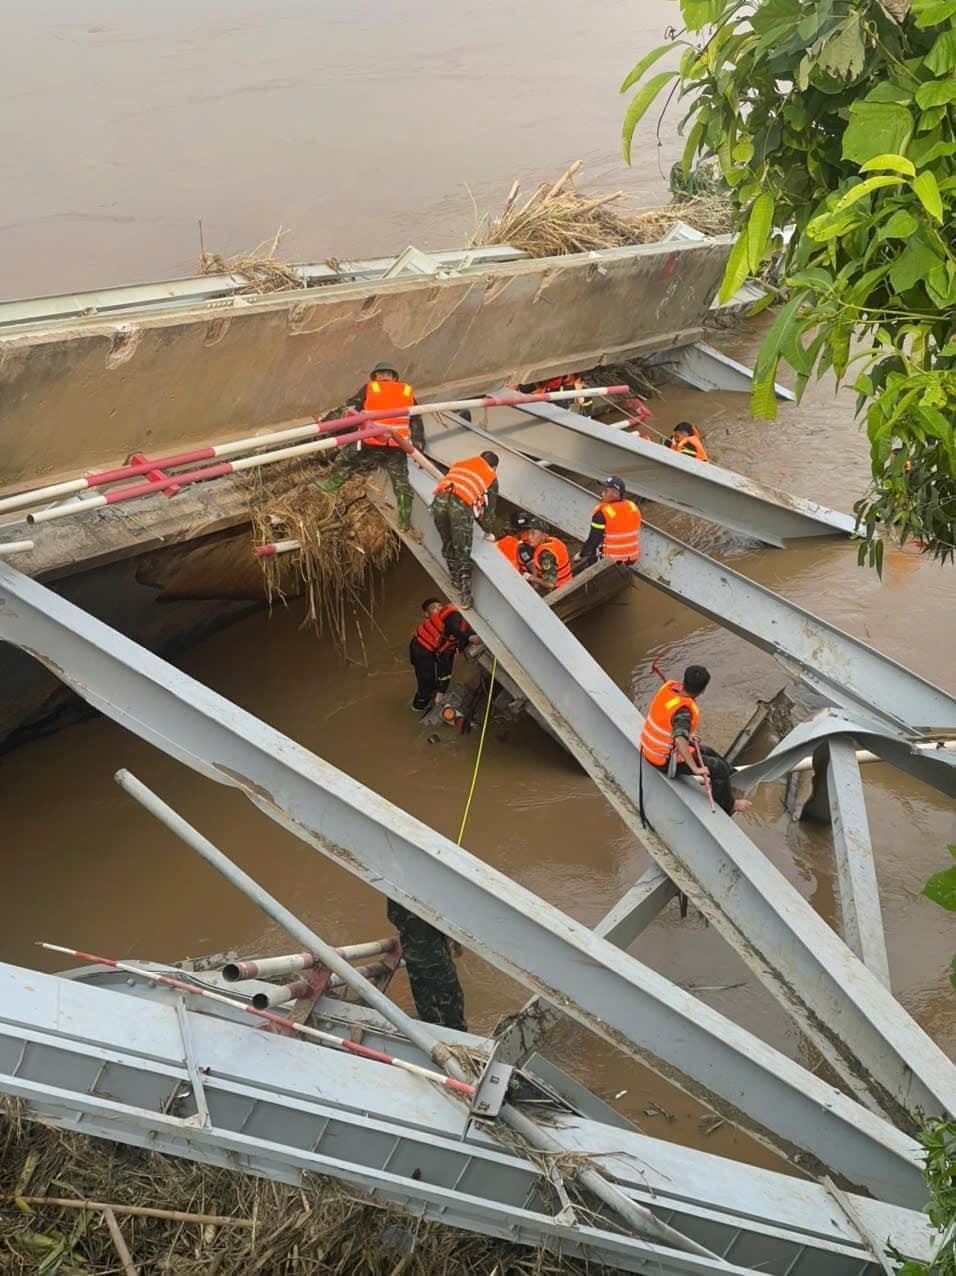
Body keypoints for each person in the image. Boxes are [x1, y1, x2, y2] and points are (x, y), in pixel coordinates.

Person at [318, 361, 422, 533]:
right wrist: (418, 443)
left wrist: (326, 424)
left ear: (376, 376)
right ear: (394, 377)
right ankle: (404, 521)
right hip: (397, 446)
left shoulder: (371, 388)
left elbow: (349, 408)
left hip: (371, 442)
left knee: (345, 459)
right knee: (401, 483)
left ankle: (331, 483)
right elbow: (416, 419)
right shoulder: (406, 391)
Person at [639, 665, 750, 816]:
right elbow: (679, 739)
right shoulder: (683, 712)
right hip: (664, 760)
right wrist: (695, 769)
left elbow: (668, 722)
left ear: (684, 681)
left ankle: (729, 778)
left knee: (709, 752)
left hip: (650, 747)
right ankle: (729, 805)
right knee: (718, 768)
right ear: (703, 690)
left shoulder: (669, 689)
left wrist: (688, 736)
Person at [431, 451, 499, 609]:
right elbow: (490, 510)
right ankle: (466, 596)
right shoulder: (491, 475)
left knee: (447, 542)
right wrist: (487, 531)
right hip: (459, 505)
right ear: (494, 467)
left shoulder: (461, 463)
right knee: (463, 550)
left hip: (439, 500)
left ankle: (454, 578)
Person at [386, 900, 467, 1031]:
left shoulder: (397, 888)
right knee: (451, 1001)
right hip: (435, 954)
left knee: (424, 1001)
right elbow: (447, 914)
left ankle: (431, 1034)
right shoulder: (428, 890)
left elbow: (393, 916)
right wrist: (457, 942)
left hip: (412, 953)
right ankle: (457, 1037)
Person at [409, 597, 478, 711]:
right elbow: (453, 628)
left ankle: (437, 693)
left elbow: (446, 663)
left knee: (442, 672)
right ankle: (418, 707)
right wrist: (470, 638)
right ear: (426, 614)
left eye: (439, 606)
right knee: (426, 683)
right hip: (421, 649)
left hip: (436, 649)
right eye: (434, 608)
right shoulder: (453, 616)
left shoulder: (457, 627)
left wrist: (442, 690)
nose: (438, 609)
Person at [574, 476, 641, 568]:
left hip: (611, 560)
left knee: (591, 554)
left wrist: (582, 554)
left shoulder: (602, 514)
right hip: (631, 557)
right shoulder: (632, 507)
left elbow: (594, 539)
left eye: (606, 491)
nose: (602, 493)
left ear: (616, 494)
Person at [523, 517, 572, 593]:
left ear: (544, 535)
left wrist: (531, 577)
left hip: (558, 591)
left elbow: (550, 584)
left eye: (533, 533)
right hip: (567, 583)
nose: (529, 537)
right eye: (528, 533)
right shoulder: (552, 541)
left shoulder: (545, 555)